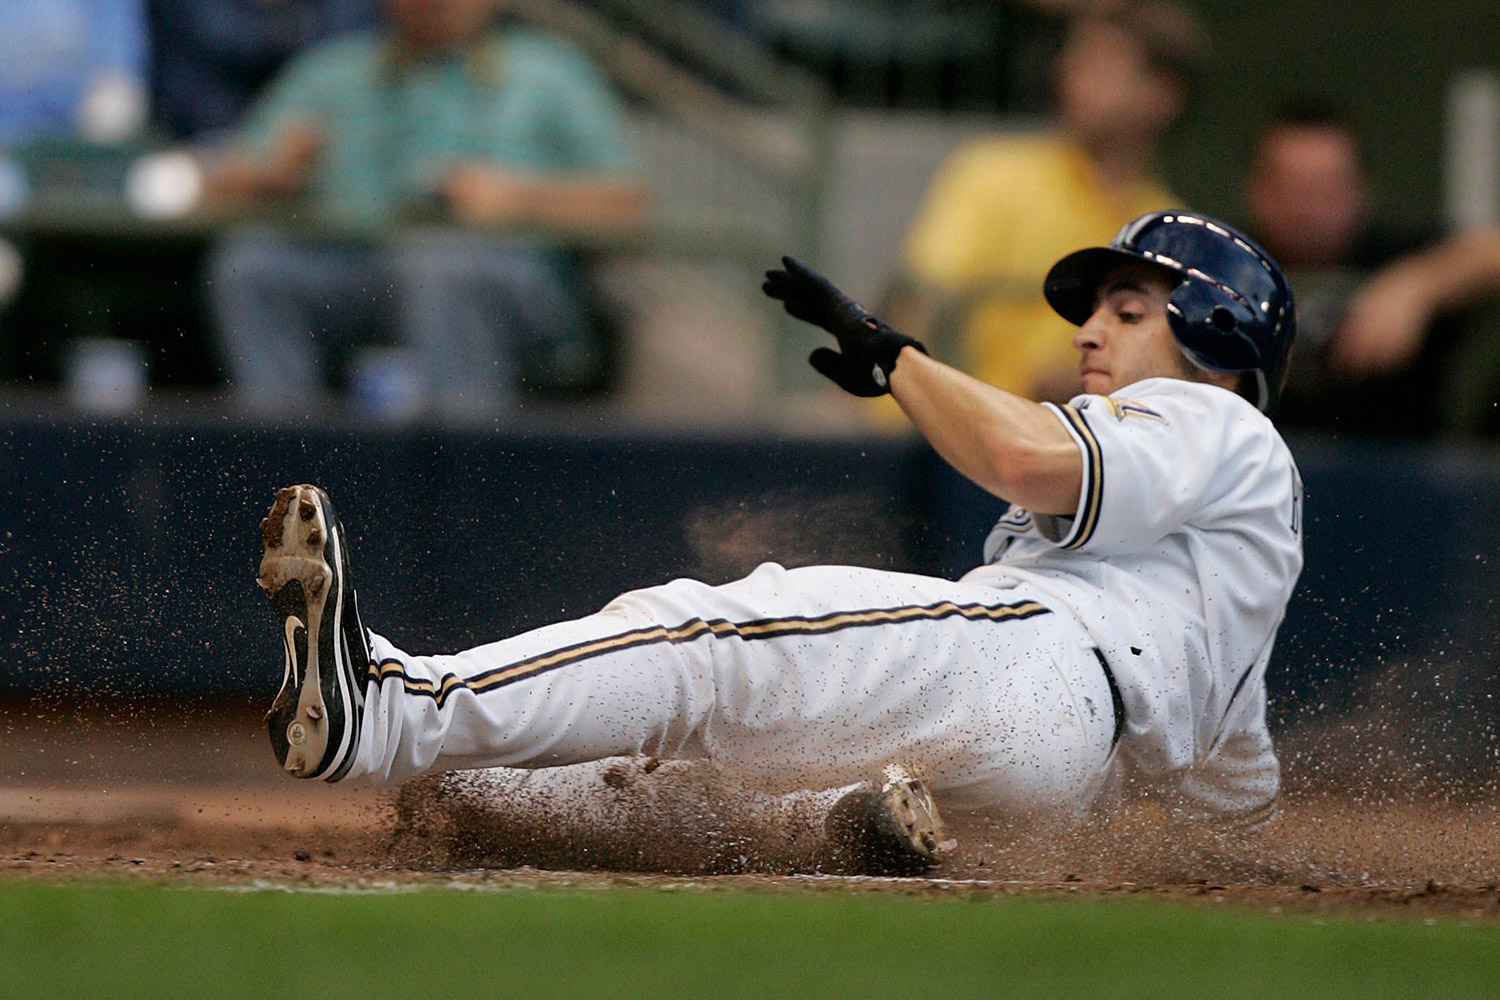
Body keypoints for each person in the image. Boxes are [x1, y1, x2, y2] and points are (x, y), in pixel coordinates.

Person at [256, 211, 1301, 873]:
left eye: (1129, 310)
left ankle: (394, 708)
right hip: (1060, 776)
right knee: (685, 788)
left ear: (1216, 339)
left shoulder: (1217, 422)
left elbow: (1030, 462)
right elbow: (1232, 787)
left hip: (1039, 661)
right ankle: (835, 827)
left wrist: (902, 362)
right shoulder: (1234, 535)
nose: (1090, 330)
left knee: (708, 637)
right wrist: (1241, 867)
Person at [203, 0, 645, 422]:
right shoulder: (331, 72)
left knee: (437, 266)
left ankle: (467, 479)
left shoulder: (551, 71)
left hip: (516, 287)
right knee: (252, 265)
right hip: (361, 274)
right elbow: (215, 179)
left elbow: (627, 204)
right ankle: (285, 472)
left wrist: (521, 198)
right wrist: (264, 178)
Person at [888, 0, 1205, 405]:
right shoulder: (989, 174)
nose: (1070, 76)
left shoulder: (1173, 229)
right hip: (945, 440)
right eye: (1073, 59)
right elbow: (923, 311)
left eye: (1101, 64)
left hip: (1085, 454)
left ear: (1162, 95)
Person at [1244, 99, 1500, 438]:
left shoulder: (1397, 255)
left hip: (1399, 482)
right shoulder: (1225, 260)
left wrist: (1416, 286)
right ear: (1253, 188)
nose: (1304, 209)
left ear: (1361, 190)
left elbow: (1489, 252)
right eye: (1287, 187)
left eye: (1325, 188)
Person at [148, 0, 378, 144]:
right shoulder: (190, 10)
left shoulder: (348, 13)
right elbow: (188, 92)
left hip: (325, 159)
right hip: (211, 151)